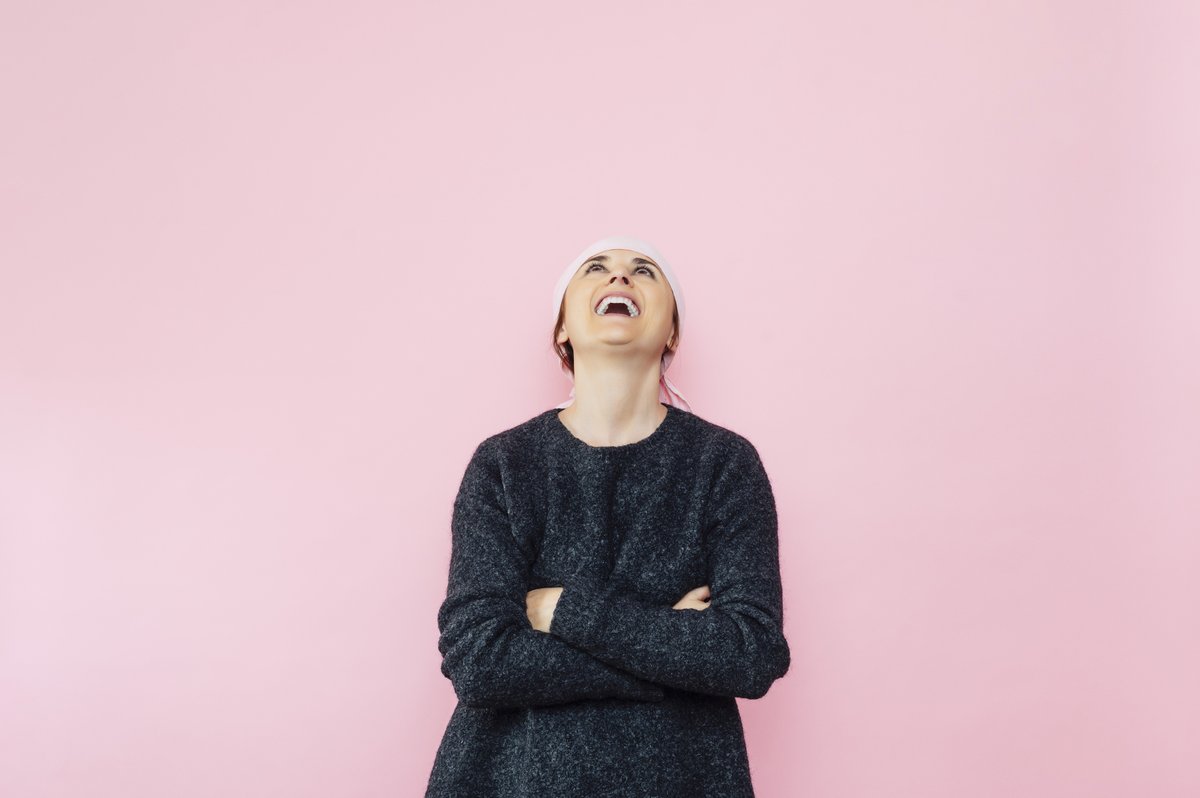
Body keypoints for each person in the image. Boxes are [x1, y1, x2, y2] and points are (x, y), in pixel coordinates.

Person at [424, 236, 791, 797]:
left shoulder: (724, 464)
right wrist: (666, 644)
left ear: (671, 331)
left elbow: (751, 652)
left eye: (644, 270)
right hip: (509, 778)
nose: (619, 277)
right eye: (596, 268)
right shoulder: (502, 463)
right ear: (561, 329)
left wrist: (561, 610)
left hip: (680, 777)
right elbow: (478, 662)